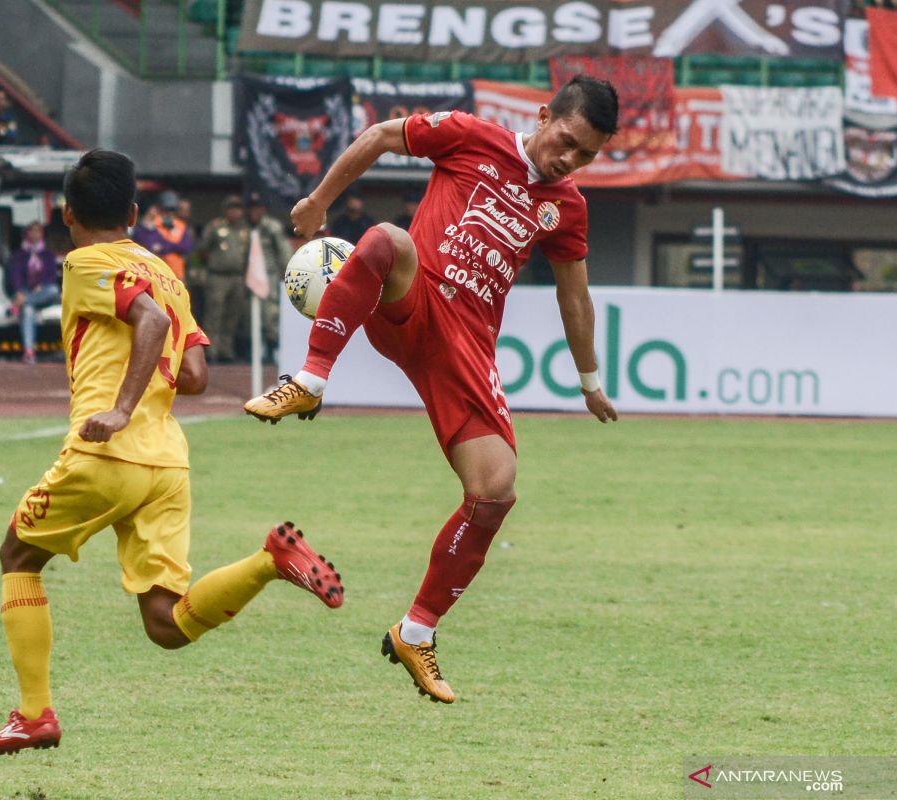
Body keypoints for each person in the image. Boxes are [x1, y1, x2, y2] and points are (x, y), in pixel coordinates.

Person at [245, 76, 622, 703]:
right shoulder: (473, 136)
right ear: (545, 115)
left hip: (466, 347)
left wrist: (590, 381)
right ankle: (309, 380)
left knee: (495, 490)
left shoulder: (568, 206)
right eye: (568, 142)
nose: (571, 161)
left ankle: (414, 631)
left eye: (587, 156)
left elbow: (573, 294)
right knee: (389, 241)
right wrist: (317, 202)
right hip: (413, 302)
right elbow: (381, 135)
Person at [0, 149, 344, 754]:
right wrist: (146, 386)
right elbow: (194, 374)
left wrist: (120, 408)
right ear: (135, 212)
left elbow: (146, 323)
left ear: (67, 213)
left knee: (17, 556)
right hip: (167, 461)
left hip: (108, 451)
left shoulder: (84, 262)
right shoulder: (166, 273)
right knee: (166, 625)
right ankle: (269, 561)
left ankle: (35, 714)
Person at [197, 195, 250, 363]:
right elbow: (202, 250)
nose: (235, 212)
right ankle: (211, 351)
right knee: (214, 314)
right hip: (218, 276)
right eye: (231, 208)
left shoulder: (245, 230)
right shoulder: (215, 227)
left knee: (232, 316)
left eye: (238, 208)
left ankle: (226, 351)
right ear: (225, 211)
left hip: (237, 277)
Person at [245, 192, 292, 363]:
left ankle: (272, 348)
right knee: (249, 315)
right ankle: (256, 349)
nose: (254, 212)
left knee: (271, 314)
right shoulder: (244, 226)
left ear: (263, 210)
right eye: (251, 209)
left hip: (269, 276)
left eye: (257, 209)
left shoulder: (272, 226)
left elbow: (284, 251)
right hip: (247, 277)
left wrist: (287, 275)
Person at [9, 221, 59, 364]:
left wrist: (41, 286)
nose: (35, 234)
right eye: (32, 231)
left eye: (38, 231)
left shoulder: (48, 254)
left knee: (54, 290)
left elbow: (52, 276)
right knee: (28, 311)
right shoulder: (20, 255)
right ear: (27, 234)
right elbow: (16, 275)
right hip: (25, 291)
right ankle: (29, 351)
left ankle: (18, 304)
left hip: (44, 292)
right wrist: (19, 291)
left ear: (42, 234)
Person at [133, 191, 193, 280]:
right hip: (156, 274)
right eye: (166, 209)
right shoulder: (153, 224)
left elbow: (186, 247)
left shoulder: (180, 225)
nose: (169, 213)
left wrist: (165, 247)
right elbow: (150, 246)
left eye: (172, 210)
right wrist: (172, 247)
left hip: (176, 274)